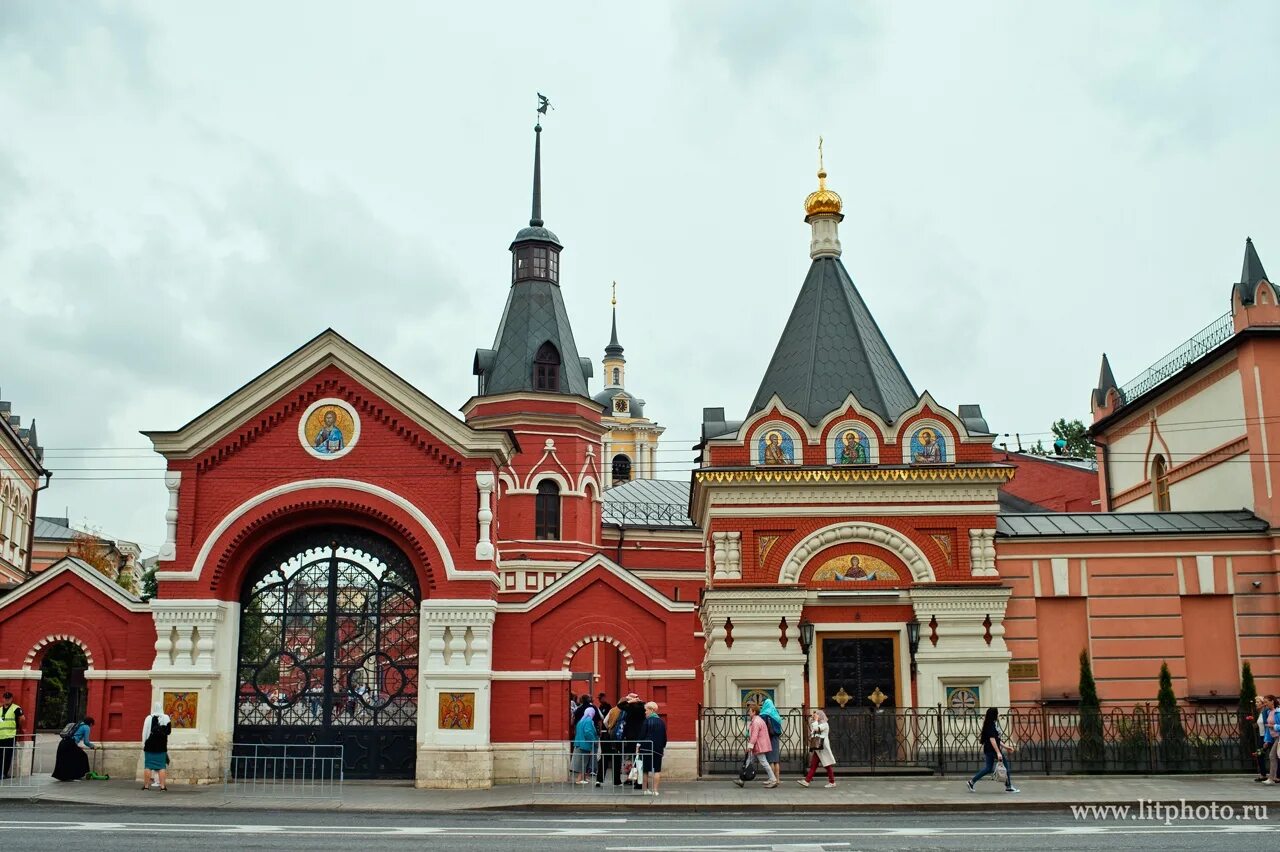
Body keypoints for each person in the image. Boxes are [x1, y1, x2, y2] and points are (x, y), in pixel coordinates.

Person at [967, 707, 1018, 793]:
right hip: (993, 750)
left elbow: (996, 739)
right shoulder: (991, 725)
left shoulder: (991, 724)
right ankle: (1008, 787)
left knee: (988, 768)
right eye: (997, 713)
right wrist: (998, 752)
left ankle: (971, 782)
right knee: (1005, 767)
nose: (998, 715)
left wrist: (1006, 747)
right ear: (994, 715)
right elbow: (992, 739)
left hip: (989, 749)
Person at [734, 703, 777, 788]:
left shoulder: (756, 721)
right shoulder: (757, 720)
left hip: (758, 746)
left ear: (754, 712)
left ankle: (773, 779)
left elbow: (754, 735)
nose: (748, 712)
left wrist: (749, 747)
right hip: (757, 745)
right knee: (749, 761)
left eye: (750, 711)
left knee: (764, 762)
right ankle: (742, 780)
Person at [796, 709, 836, 788]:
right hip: (818, 748)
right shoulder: (818, 723)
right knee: (814, 765)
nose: (815, 716)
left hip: (822, 747)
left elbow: (817, 728)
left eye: (816, 715)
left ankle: (832, 782)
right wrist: (813, 720)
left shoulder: (824, 724)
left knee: (827, 765)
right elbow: (813, 730)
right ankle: (807, 781)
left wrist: (816, 720)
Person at [618, 693, 647, 789]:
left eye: (629, 699)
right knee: (637, 760)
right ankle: (637, 781)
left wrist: (630, 700)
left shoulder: (634, 708)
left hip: (634, 738)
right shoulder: (641, 706)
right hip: (638, 737)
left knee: (637, 760)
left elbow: (620, 705)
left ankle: (639, 782)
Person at [52, 717, 95, 781]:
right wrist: (93, 746)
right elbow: (86, 742)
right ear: (91, 723)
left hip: (63, 742)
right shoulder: (86, 727)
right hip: (70, 744)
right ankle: (76, 775)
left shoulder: (78, 725)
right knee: (83, 756)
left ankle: (63, 776)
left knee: (65, 759)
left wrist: (76, 746)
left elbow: (73, 736)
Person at [141, 702, 172, 791]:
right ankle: (162, 787)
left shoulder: (149, 718)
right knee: (162, 766)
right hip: (161, 746)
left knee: (148, 766)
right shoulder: (166, 717)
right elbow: (168, 732)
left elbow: (145, 732)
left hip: (150, 745)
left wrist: (144, 743)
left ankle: (146, 786)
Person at [639, 701, 667, 796]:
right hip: (658, 749)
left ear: (651, 710)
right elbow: (664, 737)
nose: (645, 712)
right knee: (657, 770)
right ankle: (655, 790)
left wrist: (638, 746)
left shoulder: (646, 721)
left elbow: (642, 735)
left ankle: (645, 790)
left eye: (646, 710)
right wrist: (662, 747)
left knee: (645, 770)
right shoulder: (661, 722)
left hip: (646, 748)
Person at [572, 706, 599, 785]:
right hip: (585, 744)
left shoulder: (581, 721)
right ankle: (580, 779)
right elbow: (588, 732)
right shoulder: (588, 721)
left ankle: (583, 778)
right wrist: (594, 740)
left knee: (583, 761)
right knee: (584, 762)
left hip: (579, 743)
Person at [760, 696, 784, 782]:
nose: (762, 706)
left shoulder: (765, 714)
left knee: (770, 760)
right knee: (776, 760)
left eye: (763, 704)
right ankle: (777, 779)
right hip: (776, 737)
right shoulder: (776, 712)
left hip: (769, 737)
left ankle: (772, 779)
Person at [0, 691, 23, 781]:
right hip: (0, 736)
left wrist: (18, 727)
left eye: (8, 698)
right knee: (0, 756)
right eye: (5, 698)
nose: (7, 700)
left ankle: (4, 773)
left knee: (7, 756)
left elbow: (22, 718)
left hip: (10, 736)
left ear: (11, 699)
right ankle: (1, 773)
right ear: (3, 699)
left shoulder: (16, 708)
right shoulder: (0, 709)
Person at [599, 703, 623, 786]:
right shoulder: (623, 712)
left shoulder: (612, 710)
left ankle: (599, 780)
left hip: (608, 735)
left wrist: (609, 727)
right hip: (617, 737)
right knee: (616, 759)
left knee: (604, 758)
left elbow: (605, 721)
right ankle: (616, 781)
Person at [1255, 695, 1273, 782]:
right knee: (1259, 754)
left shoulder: (1266, 712)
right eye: (1256, 702)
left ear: (1263, 704)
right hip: (1261, 736)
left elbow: (1267, 724)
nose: (1256, 704)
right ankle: (1263, 775)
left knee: (1273, 756)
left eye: (1258, 702)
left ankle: (1276, 775)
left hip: (1268, 737)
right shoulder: (1260, 713)